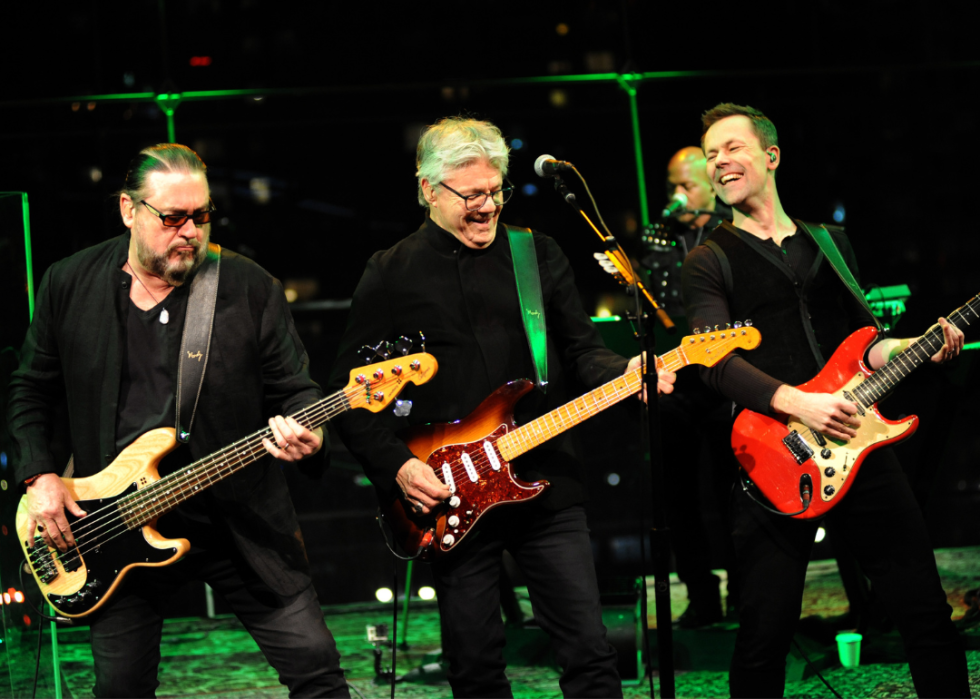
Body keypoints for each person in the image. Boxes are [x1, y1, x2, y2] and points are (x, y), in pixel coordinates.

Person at [328, 116, 674, 698]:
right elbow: (348, 394)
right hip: (450, 495)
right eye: (471, 195)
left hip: (546, 480)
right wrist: (400, 467)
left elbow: (582, 351)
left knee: (590, 654)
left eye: (496, 191)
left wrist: (623, 373)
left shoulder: (536, 253)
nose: (487, 206)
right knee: (475, 668)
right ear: (428, 190)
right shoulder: (389, 271)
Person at [7, 144, 350, 698]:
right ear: (129, 210)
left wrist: (309, 436)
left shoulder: (248, 285)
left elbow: (295, 388)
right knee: (121, 689)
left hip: (236, 521)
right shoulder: (68, 282)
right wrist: (39, 476)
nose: (190, 232)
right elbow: (29, 388)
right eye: (172, 218)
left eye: (202, 215)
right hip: (112, 527)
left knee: (317, 670)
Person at [681, 103, 968, 697]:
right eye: (711, 154)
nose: (720, 162)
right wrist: (796, 403)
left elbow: (865, 343)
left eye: (732, 148)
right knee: (763, 636)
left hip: (859, 442)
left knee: (924, 611)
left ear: (771, 156)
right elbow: (713, 364)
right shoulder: (708, 259)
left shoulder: (829, 242)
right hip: (774, 456)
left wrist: (917, 344)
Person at [643, 147, 737, 627]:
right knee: (678, 499)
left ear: (711, 187)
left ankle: (744, 592)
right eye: (672, 186)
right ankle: (701, 597)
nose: (677, 195)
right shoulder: (658, 237)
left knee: (734, 492)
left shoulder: (730, 231)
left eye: (687, 185)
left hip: (724, 382)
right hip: (675, 385)